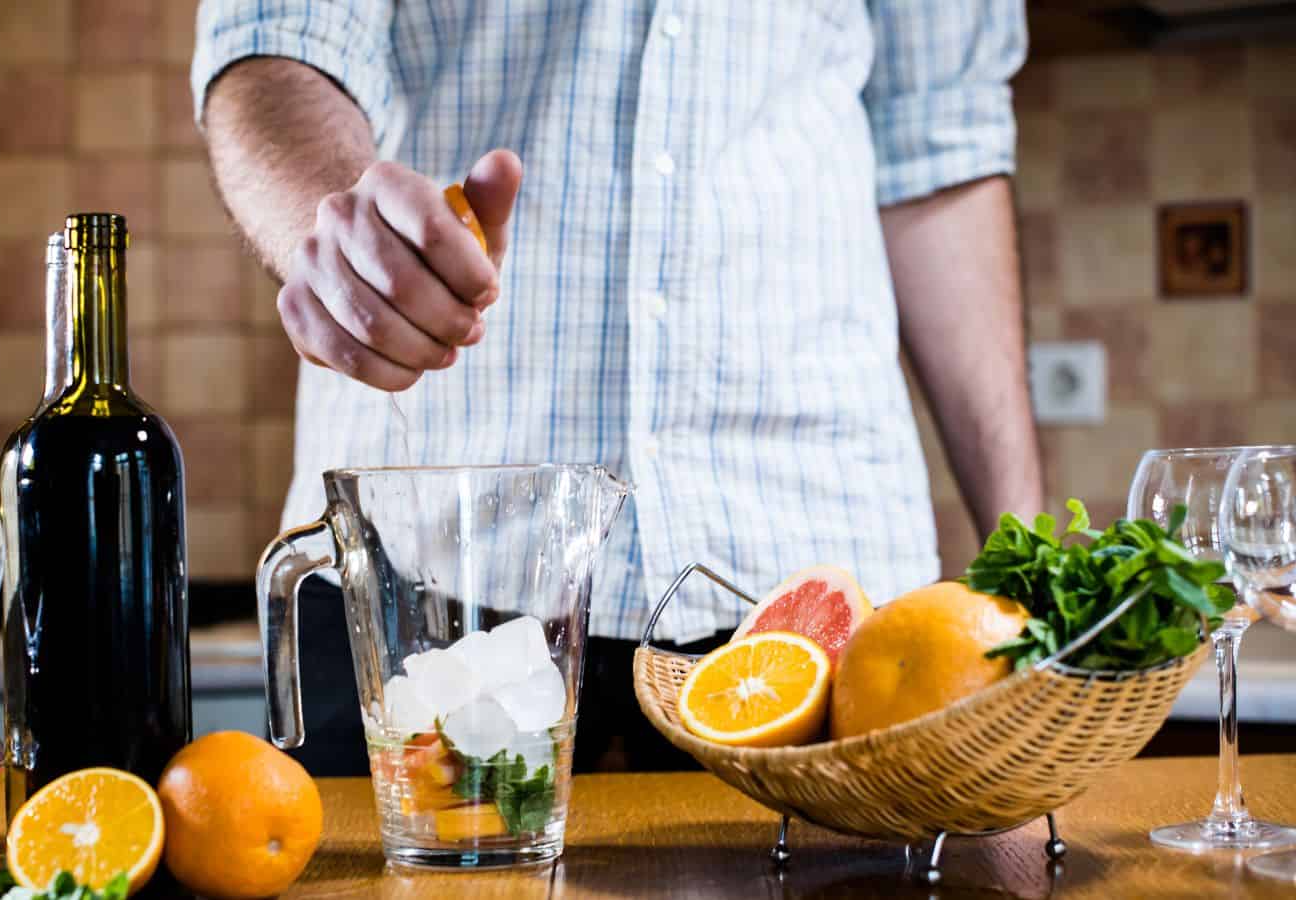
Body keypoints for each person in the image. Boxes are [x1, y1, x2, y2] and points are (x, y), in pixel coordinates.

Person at [191, 1, 1043, 775]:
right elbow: (278, 46)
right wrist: (338, 239)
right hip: (426, 591)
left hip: (815, 585)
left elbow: (942, 146)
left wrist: (1030, 581)